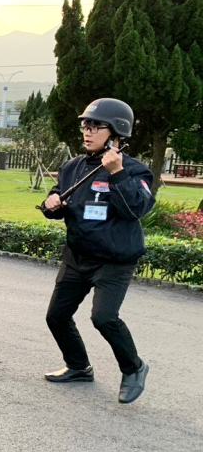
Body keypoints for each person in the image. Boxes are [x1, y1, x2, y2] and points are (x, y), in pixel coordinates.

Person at [41, 97, 153, 404]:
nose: (87, 132)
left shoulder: (136, 171)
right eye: (85, 126)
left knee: (104, 318)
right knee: (57, 316)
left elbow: (136, 209)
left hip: (114, 261)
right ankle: (79, 366)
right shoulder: (72, 167)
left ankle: (134, 368)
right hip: (78, 257)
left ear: (116, 132)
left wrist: (116, 173)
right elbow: (56, 198)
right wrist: (50, 205)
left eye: (95, 126)